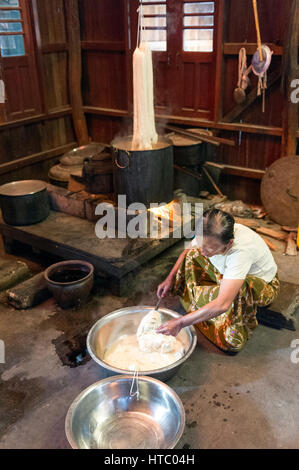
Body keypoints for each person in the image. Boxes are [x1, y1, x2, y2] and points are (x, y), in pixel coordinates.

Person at [156, 208, 280, 352]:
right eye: (201, 243)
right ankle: (201, 306)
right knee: (191, 255)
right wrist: (169, 278)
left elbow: (222, 304)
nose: (203, 251)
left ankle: (222, 323)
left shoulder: (241, 252)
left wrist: (181, 322)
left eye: (209, 248)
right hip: (228, 272)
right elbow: (188, 250)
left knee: (235, 292)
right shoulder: (208, 232)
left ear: (229, 243)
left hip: (262, 287)